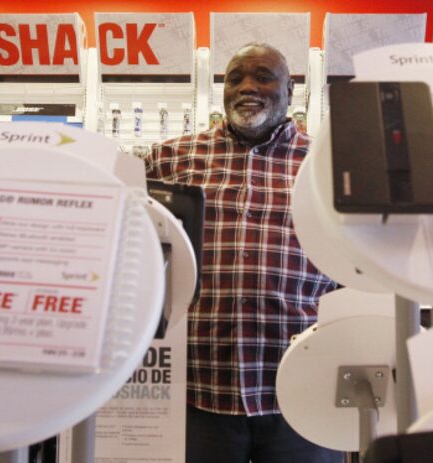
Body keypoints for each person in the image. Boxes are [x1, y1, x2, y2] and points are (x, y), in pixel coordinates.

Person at [145, 43, 341, 462]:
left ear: (291, 90)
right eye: (235, 78)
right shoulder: (169, 159)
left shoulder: (327, 162)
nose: (248, 87)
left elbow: (357, 266)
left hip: (301, 389)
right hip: (198, 389)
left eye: (263, 76)